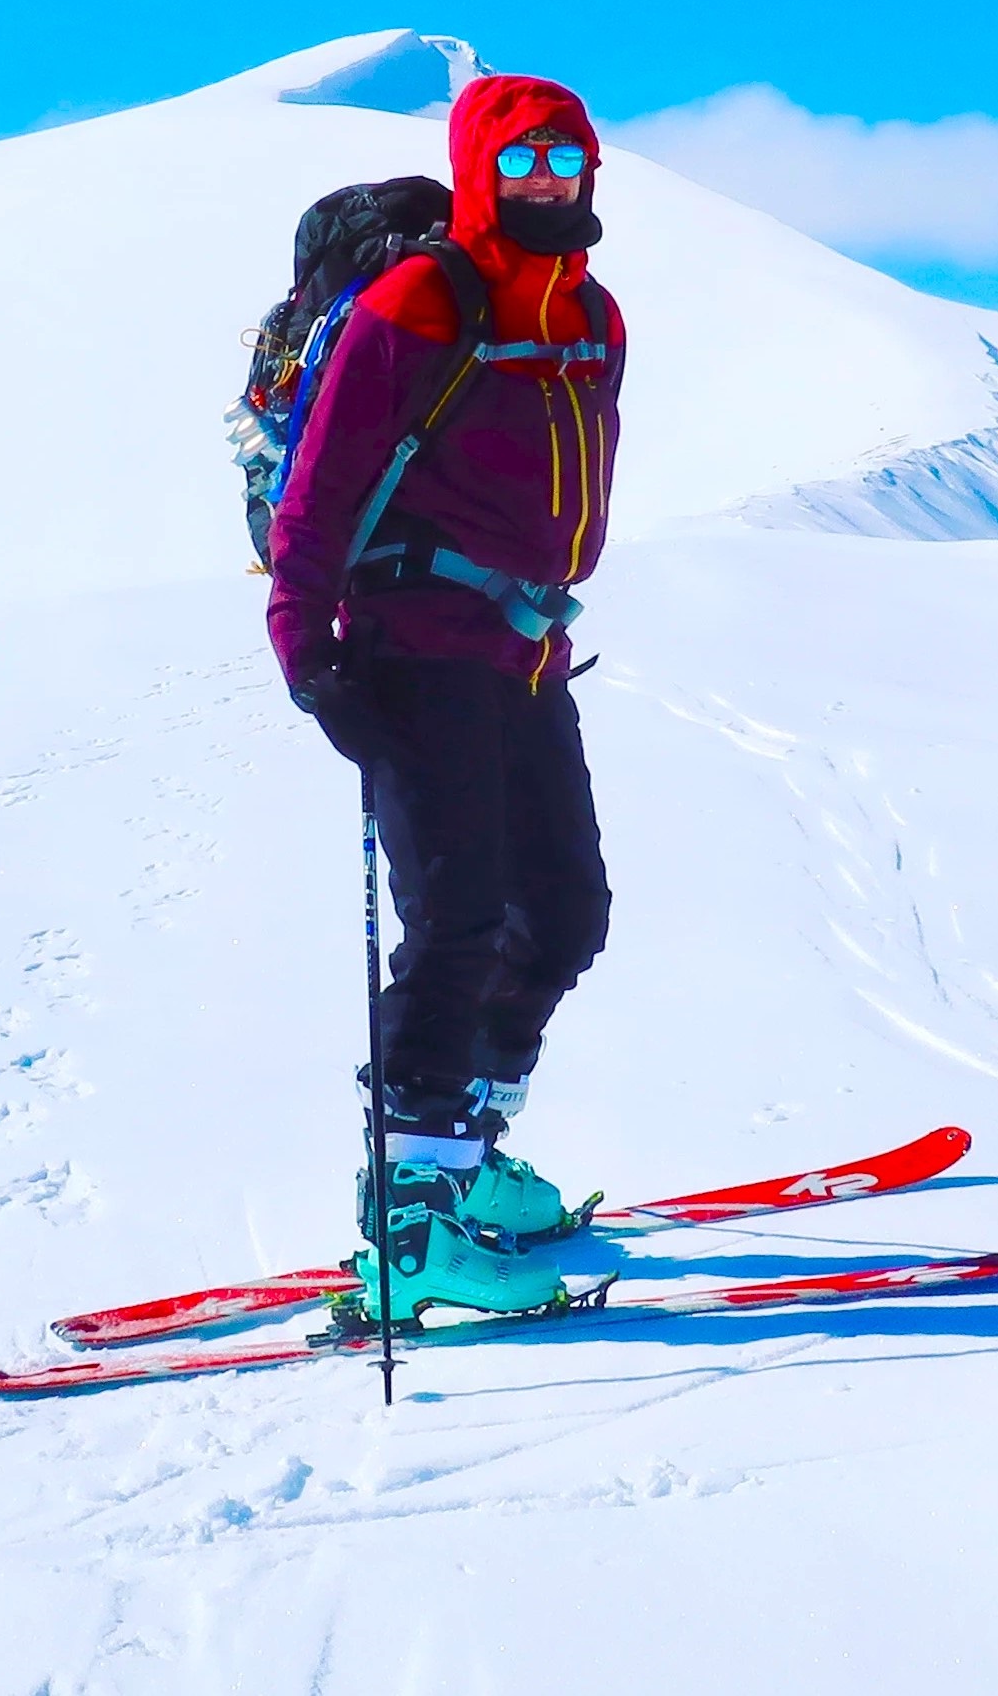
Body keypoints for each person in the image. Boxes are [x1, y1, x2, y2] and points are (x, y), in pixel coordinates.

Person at [265, 73, 625, 1317]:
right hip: (412, 648)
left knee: (565, 911)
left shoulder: (591, 313)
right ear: (480, 167)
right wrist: (305, 650)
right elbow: (317, 489)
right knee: (459, 918)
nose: (543, 181)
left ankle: (466, 1164)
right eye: (519, 161)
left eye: (563, 160)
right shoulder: (422, 300)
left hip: (521, 653)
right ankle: (409, 1227)